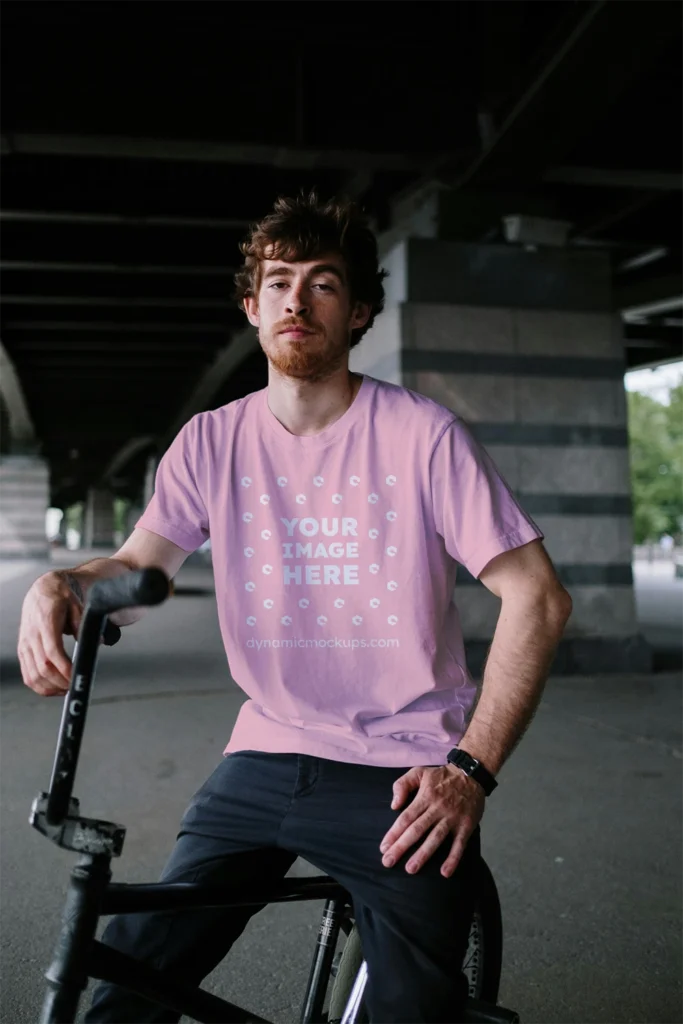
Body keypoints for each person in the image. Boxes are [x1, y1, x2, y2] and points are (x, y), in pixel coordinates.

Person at [19, 193, 572, 1024]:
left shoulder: (422, 435)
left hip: (404, 766)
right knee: (127, 976)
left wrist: (469, 772)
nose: (295, 299)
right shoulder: (210, 441)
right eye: (278, 282)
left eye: (321, 284)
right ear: (251, 306)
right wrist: (58, 585)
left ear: (357, 313)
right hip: (266, 750)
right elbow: (140, 571)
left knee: (411, 1009)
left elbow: (538, 595)